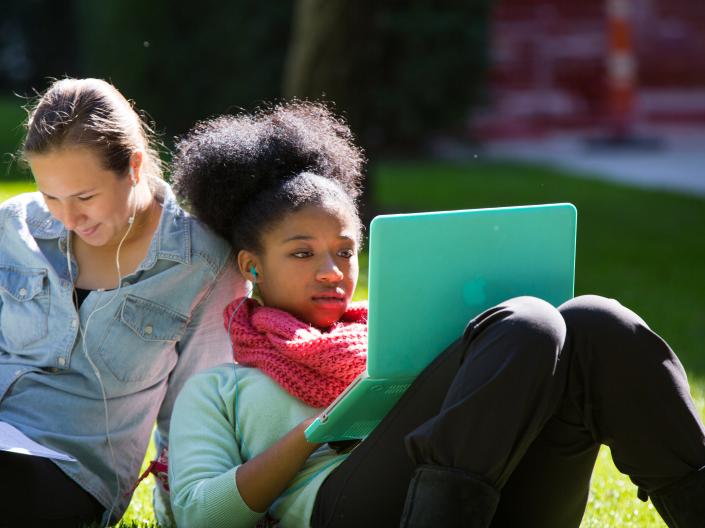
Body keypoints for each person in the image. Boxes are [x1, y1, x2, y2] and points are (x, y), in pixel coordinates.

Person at [166, 101, 705, 528]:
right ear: (251, 266)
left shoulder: (401, 339)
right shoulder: (221, 388)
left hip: (502, 499)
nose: (332, 271)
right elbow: (198, 514)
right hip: (345, 509)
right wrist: (318, 431)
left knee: (595, 321)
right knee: (531, 325)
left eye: (346, 251)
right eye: (302, 253)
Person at [0, 78, 245, 527]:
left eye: (85, 197)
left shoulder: (203, 265)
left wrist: (182, 515)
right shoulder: (12, 228)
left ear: (134, 167)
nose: (68, 218)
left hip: (72, 472)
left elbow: (197, 412)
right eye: (50, 196)